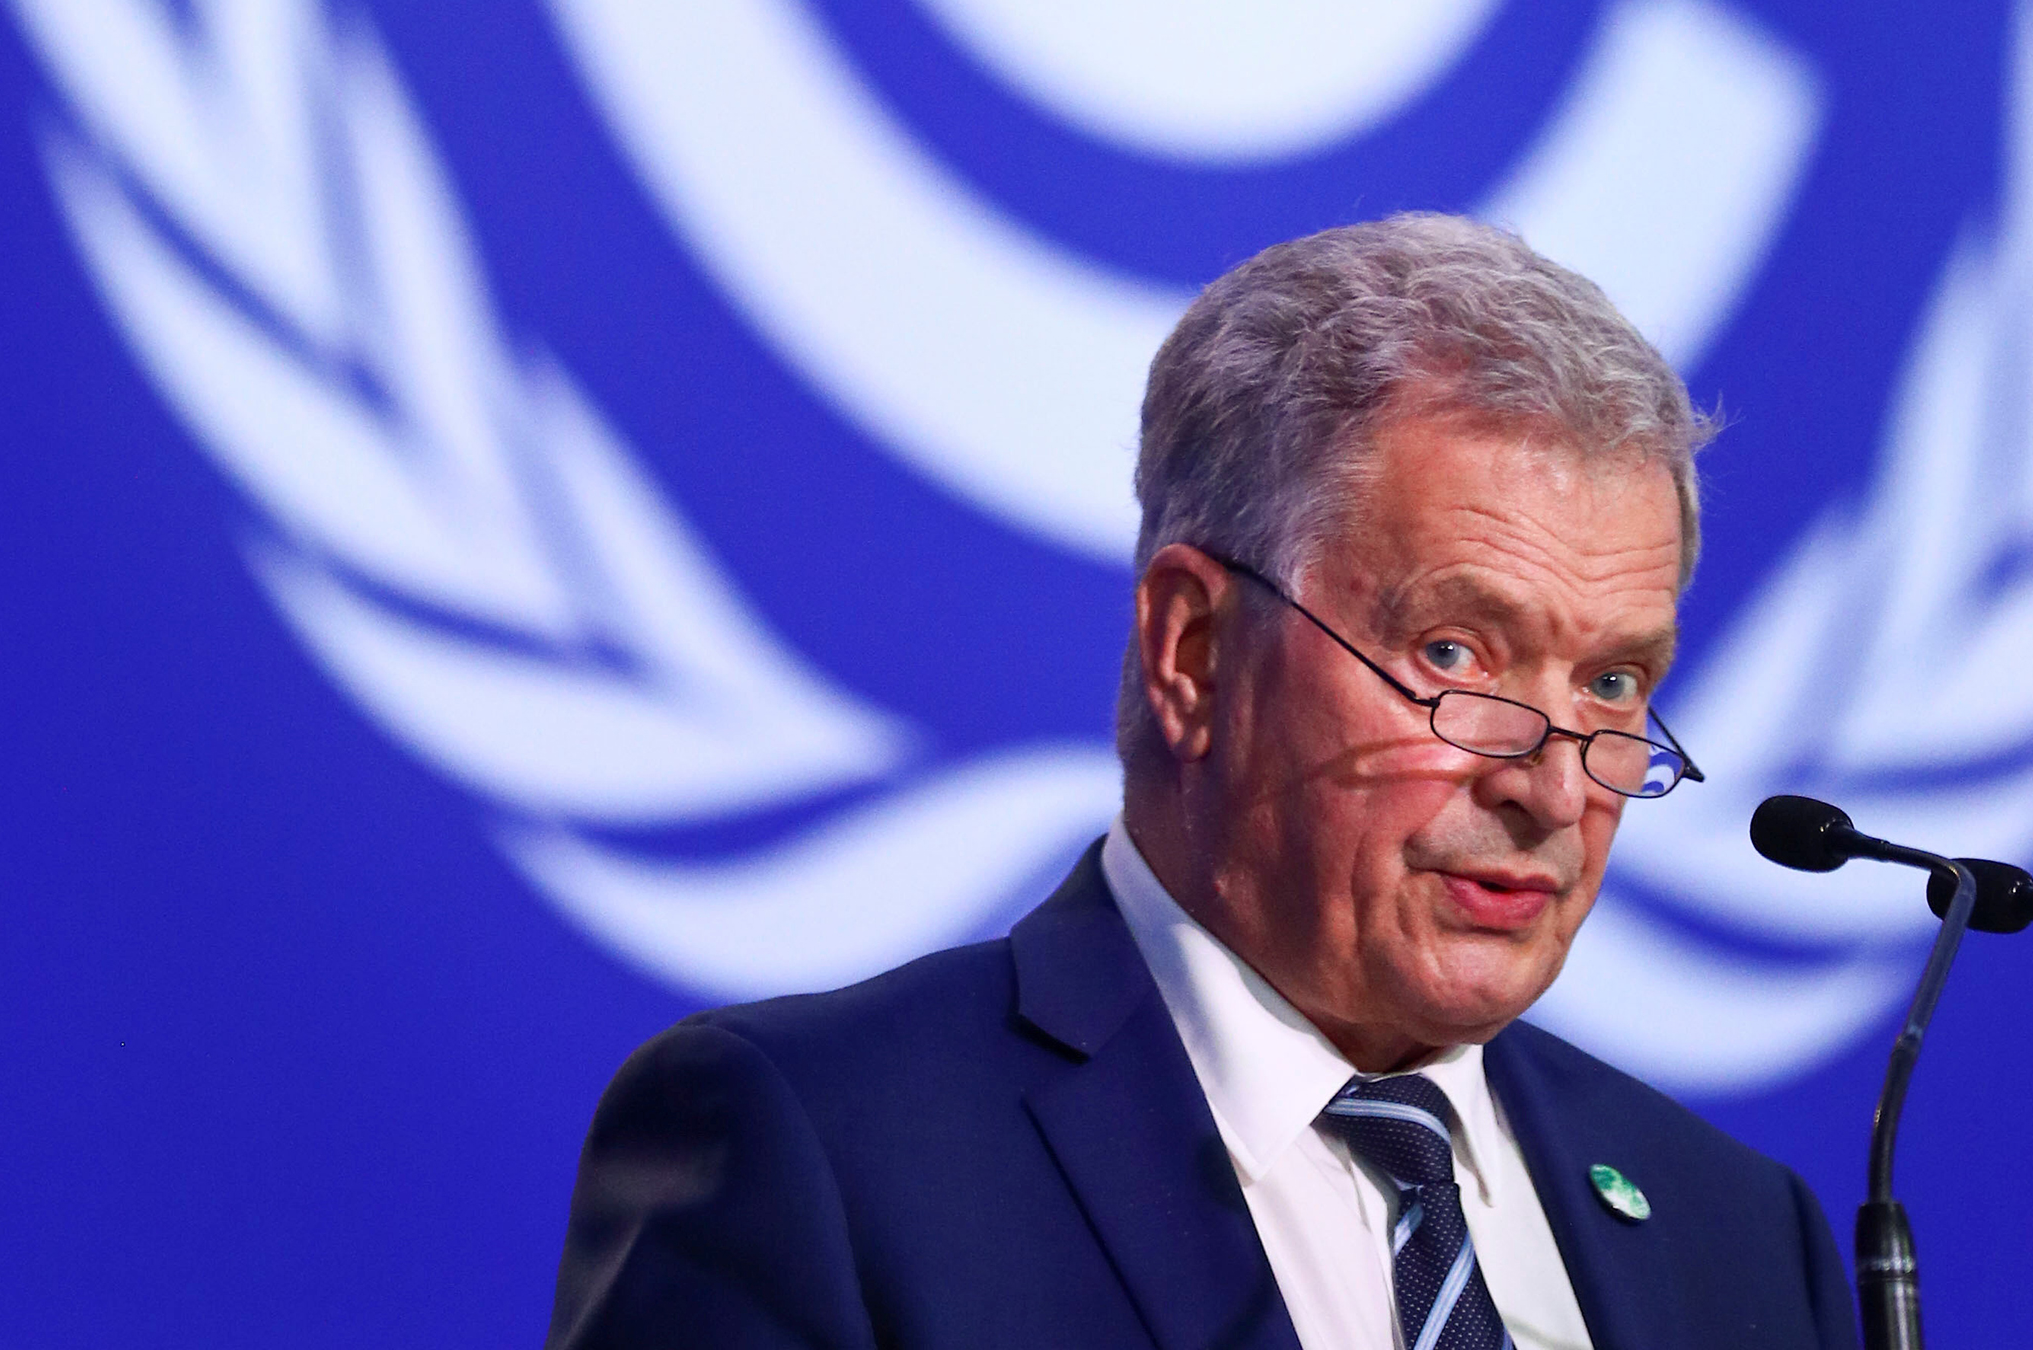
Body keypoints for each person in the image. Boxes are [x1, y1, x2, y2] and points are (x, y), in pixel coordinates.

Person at [545, 214, 1859, 1350]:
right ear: (1195, 649)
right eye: (1457, 652)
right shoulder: (827, 1157)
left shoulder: (1741, 1236)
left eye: (1614, 687)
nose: (1554, 786)